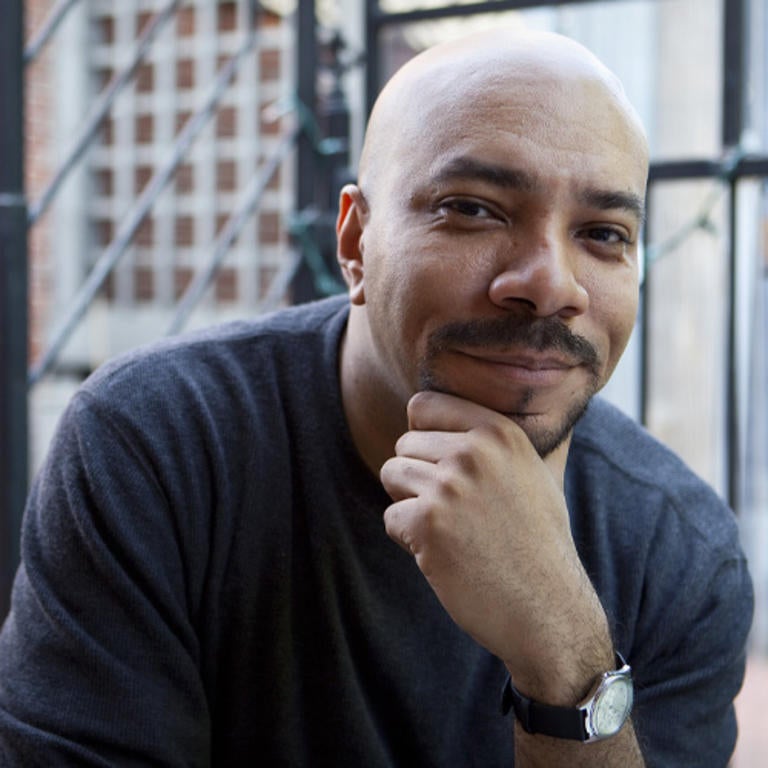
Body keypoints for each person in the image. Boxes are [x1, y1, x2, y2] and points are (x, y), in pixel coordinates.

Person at [0, 28, 753, 767]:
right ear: (356, 243)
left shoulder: (680, 554)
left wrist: (564, 658)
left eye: (603, 233)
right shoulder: (156, 448)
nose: (552, 284)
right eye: (474, 208)